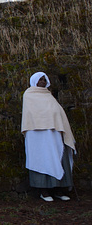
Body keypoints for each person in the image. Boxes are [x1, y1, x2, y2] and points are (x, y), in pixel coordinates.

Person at [22, 72, 75, 202]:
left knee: (57, 156)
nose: (43, 82)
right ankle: (43, 191)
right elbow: (30, 114)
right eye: (40, 80)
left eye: (45, 79)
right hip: (37, 134)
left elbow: (58, 113)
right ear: (34, 81)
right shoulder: (29, 95)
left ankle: (58, 189)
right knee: (41, 158)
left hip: (53, 132)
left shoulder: (49, 96)